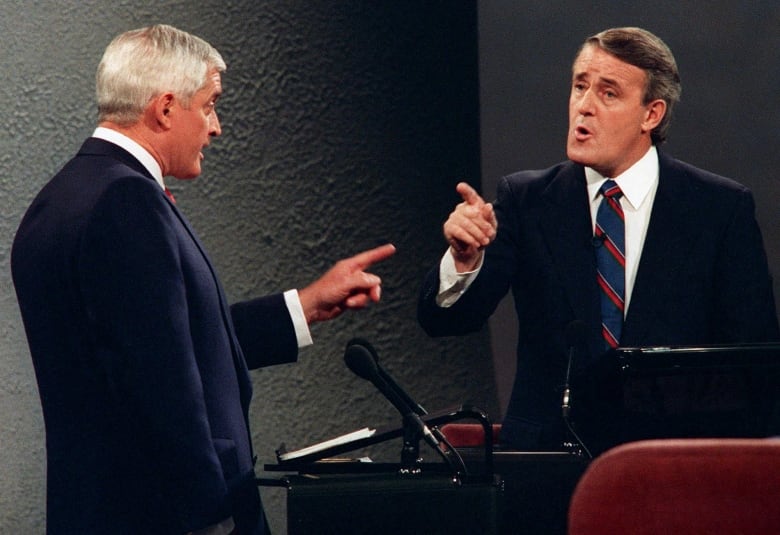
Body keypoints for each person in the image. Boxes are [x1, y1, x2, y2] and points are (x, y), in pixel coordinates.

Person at [11, 25, 395, 535]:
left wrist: (302, 307)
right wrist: (209, 517)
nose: (215, 127)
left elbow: (161, 342)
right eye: (211, 104)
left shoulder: (59, 200)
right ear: (166, 108)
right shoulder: (127, 202)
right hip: (167, 517)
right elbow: (160, 385)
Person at [418, 27, 779, 455]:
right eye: (579, 86)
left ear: (652, 114)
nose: (584, 107)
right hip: (550, 462)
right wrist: (463, 260)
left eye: (608, 93)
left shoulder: (719, 209)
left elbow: (755, 365)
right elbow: (446, 321)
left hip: (672, 463)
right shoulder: (527, 200)